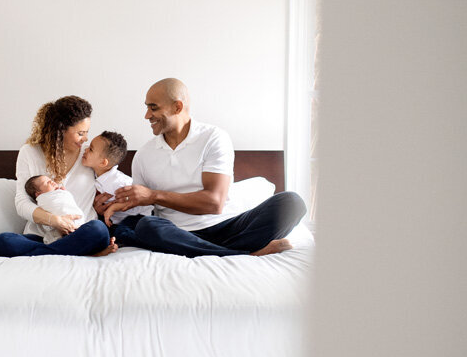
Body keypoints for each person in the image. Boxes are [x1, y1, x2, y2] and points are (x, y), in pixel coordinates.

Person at [96, 78, 306, 258]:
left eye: (153, 107)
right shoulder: (144, 155)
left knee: (292, 203)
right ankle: (247, 254)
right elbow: (141, 208)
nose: (147, 115)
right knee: (146, 226)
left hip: (229, 226)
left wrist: (154, 195)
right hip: (178, 233)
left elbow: (214, 203)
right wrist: (109, 209)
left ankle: (217, 249)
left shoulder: (214, 138)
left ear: (177, 107)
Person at [0, 95, 116, 258]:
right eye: (81, 133)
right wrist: (55, 221)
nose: (86, 138)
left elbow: (113, 181)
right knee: (3, 241)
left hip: (82, 232)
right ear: (60, 131)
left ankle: (28, 256)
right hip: (42, 236)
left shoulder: (89, 154)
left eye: (87, 132)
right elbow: (22, 203)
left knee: (98, 230)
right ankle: (85, 254)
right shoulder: (30, 152)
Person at [81, 131, 152, 225]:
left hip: (139, 218)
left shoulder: (119, 182)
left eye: (91, 149)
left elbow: (140, 198)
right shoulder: (95, 176)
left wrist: (114, 207)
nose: (85, 150)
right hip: (119, 222)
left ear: (103, 163)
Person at [23, 174, 85, 242]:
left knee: (95, 226)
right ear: (38, 194)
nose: (51, 182)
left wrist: (64, 193)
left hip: (78, 223)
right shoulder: (43, 199)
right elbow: (52, 208)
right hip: (60, 229)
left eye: (50, 180)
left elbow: (68, 203)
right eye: (46, 182)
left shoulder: (60, 192)